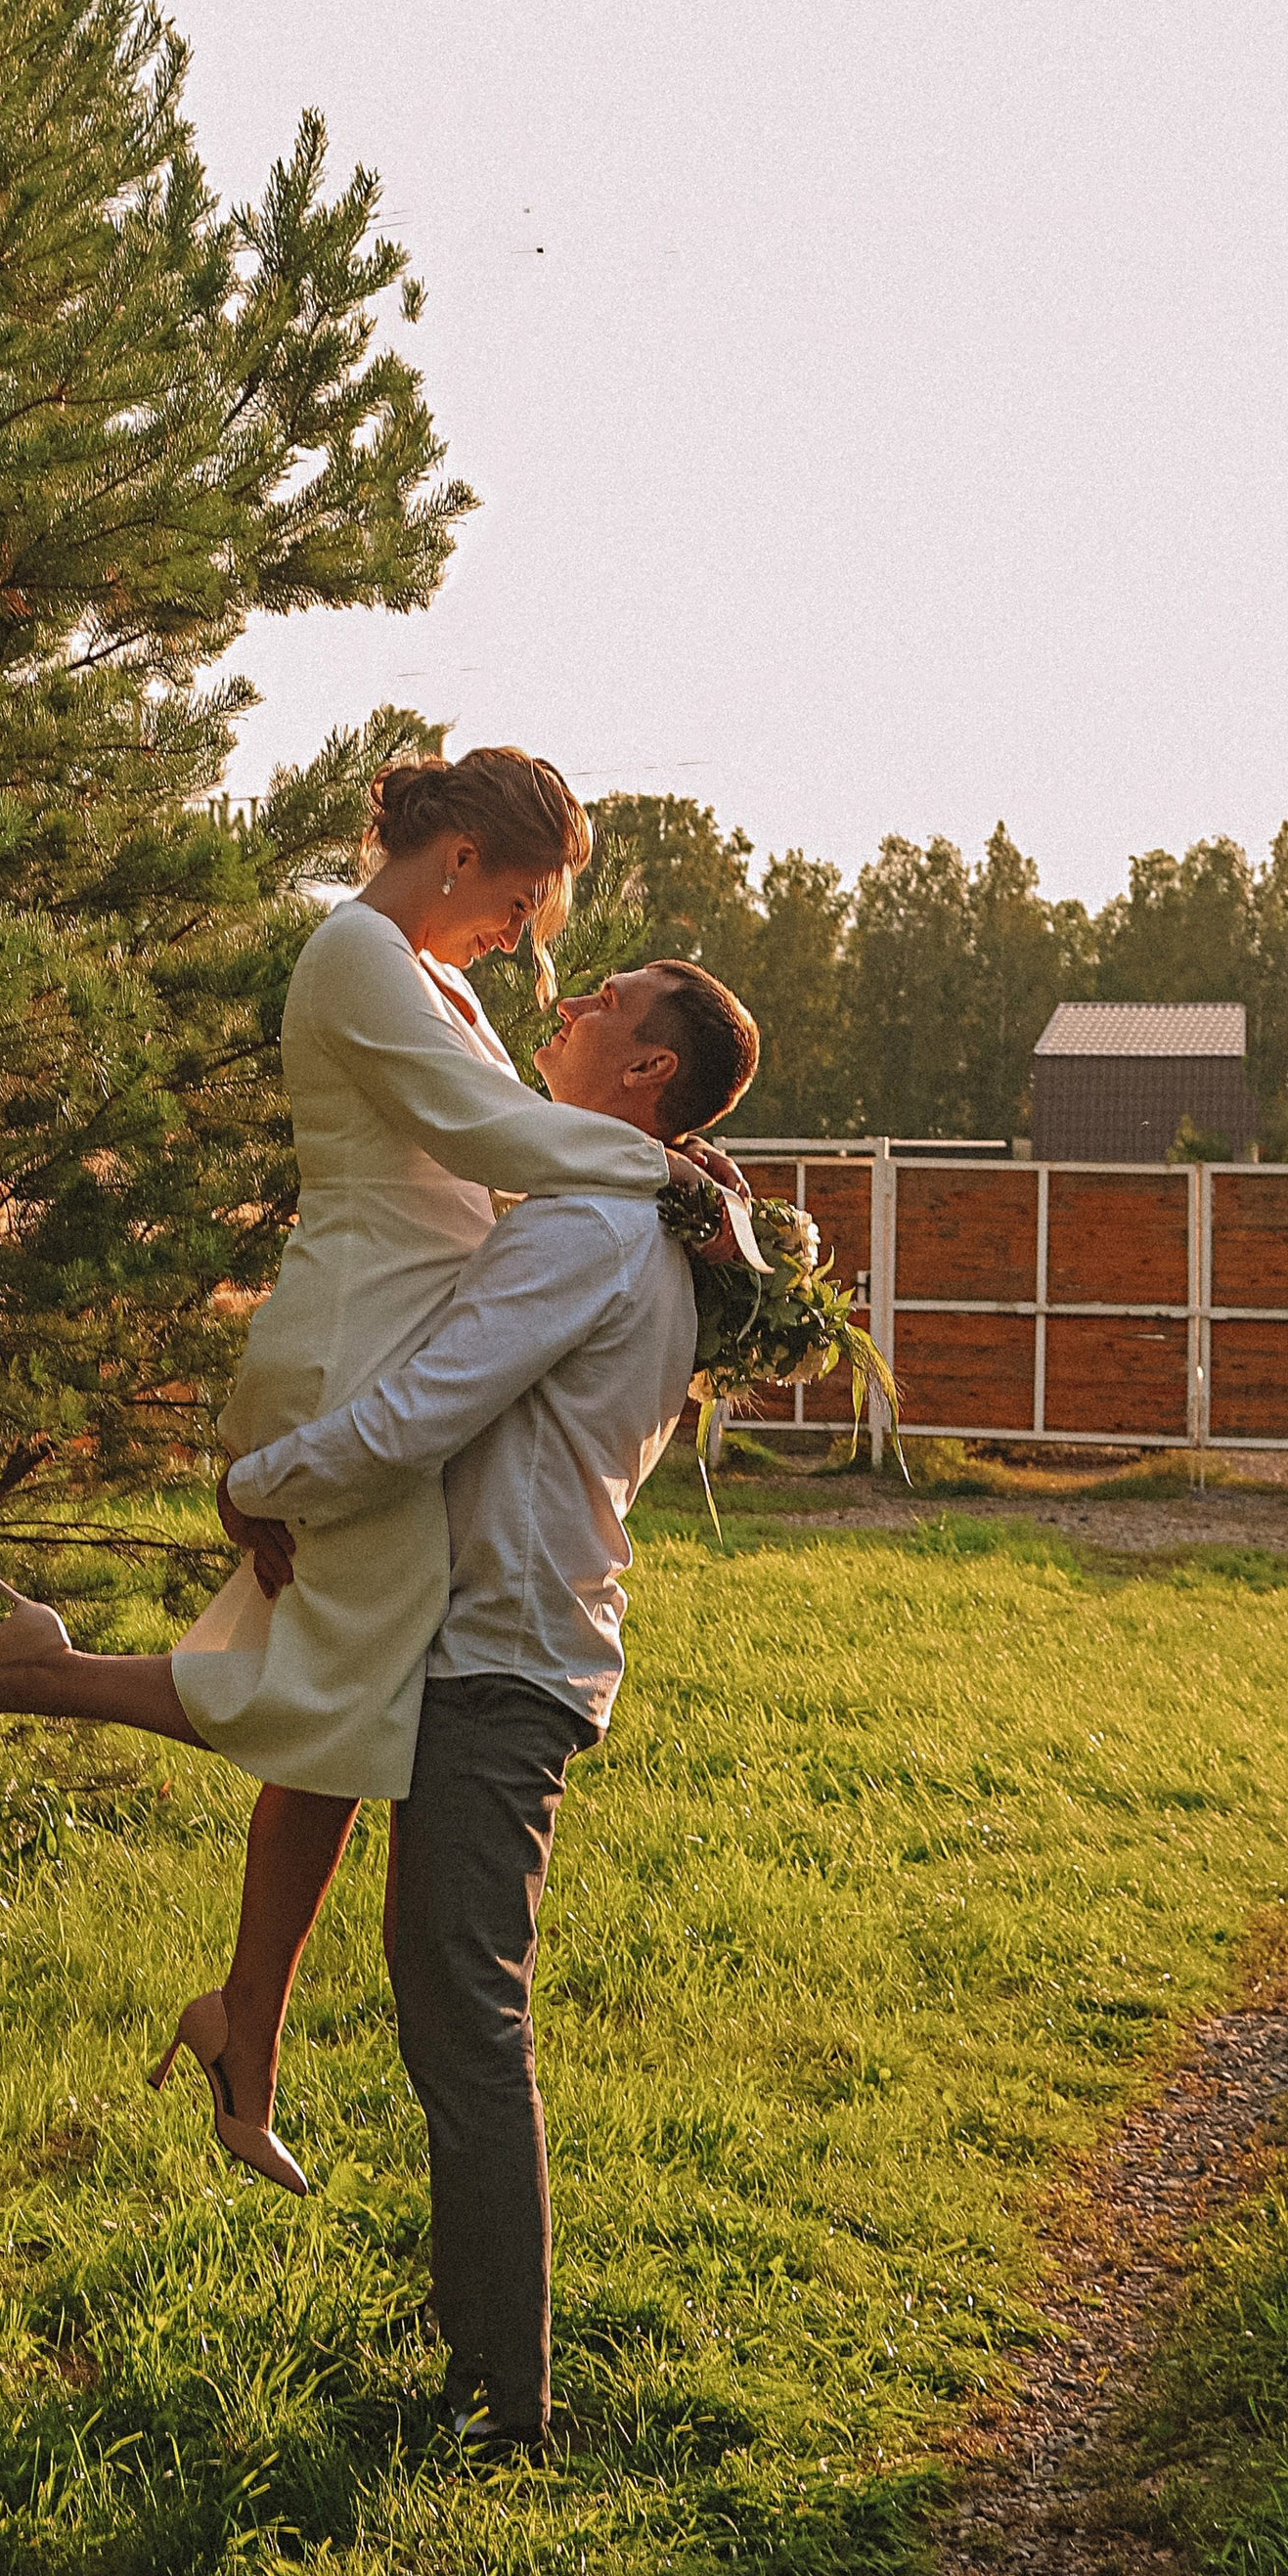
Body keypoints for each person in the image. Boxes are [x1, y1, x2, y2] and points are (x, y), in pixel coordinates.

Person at [0, 745, 748, 2191]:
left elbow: (517, 1142)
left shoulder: (445, 981)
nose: (531, 941)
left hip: (402, 1338)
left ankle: (247, 2033)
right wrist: (668, 1171)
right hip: (358, 1348)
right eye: (528, 900)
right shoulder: (356, 952)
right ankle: (16, 1670)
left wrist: (673, 1168)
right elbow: (487, 1136)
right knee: (331, 1704)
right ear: (464, 854)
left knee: (352, 1722)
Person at [220, 955, 761, 2454]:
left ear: (648, 1074)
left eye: (607, 999)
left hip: (505, 1656)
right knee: (452, 2005)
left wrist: (256, 1481)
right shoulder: (611, 1206)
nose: (570, 1000)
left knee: (467, 2015)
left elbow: (425, 1407)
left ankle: (498, 2409)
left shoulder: (591, 1225)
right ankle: (479, 2358)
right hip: (508, 1641)